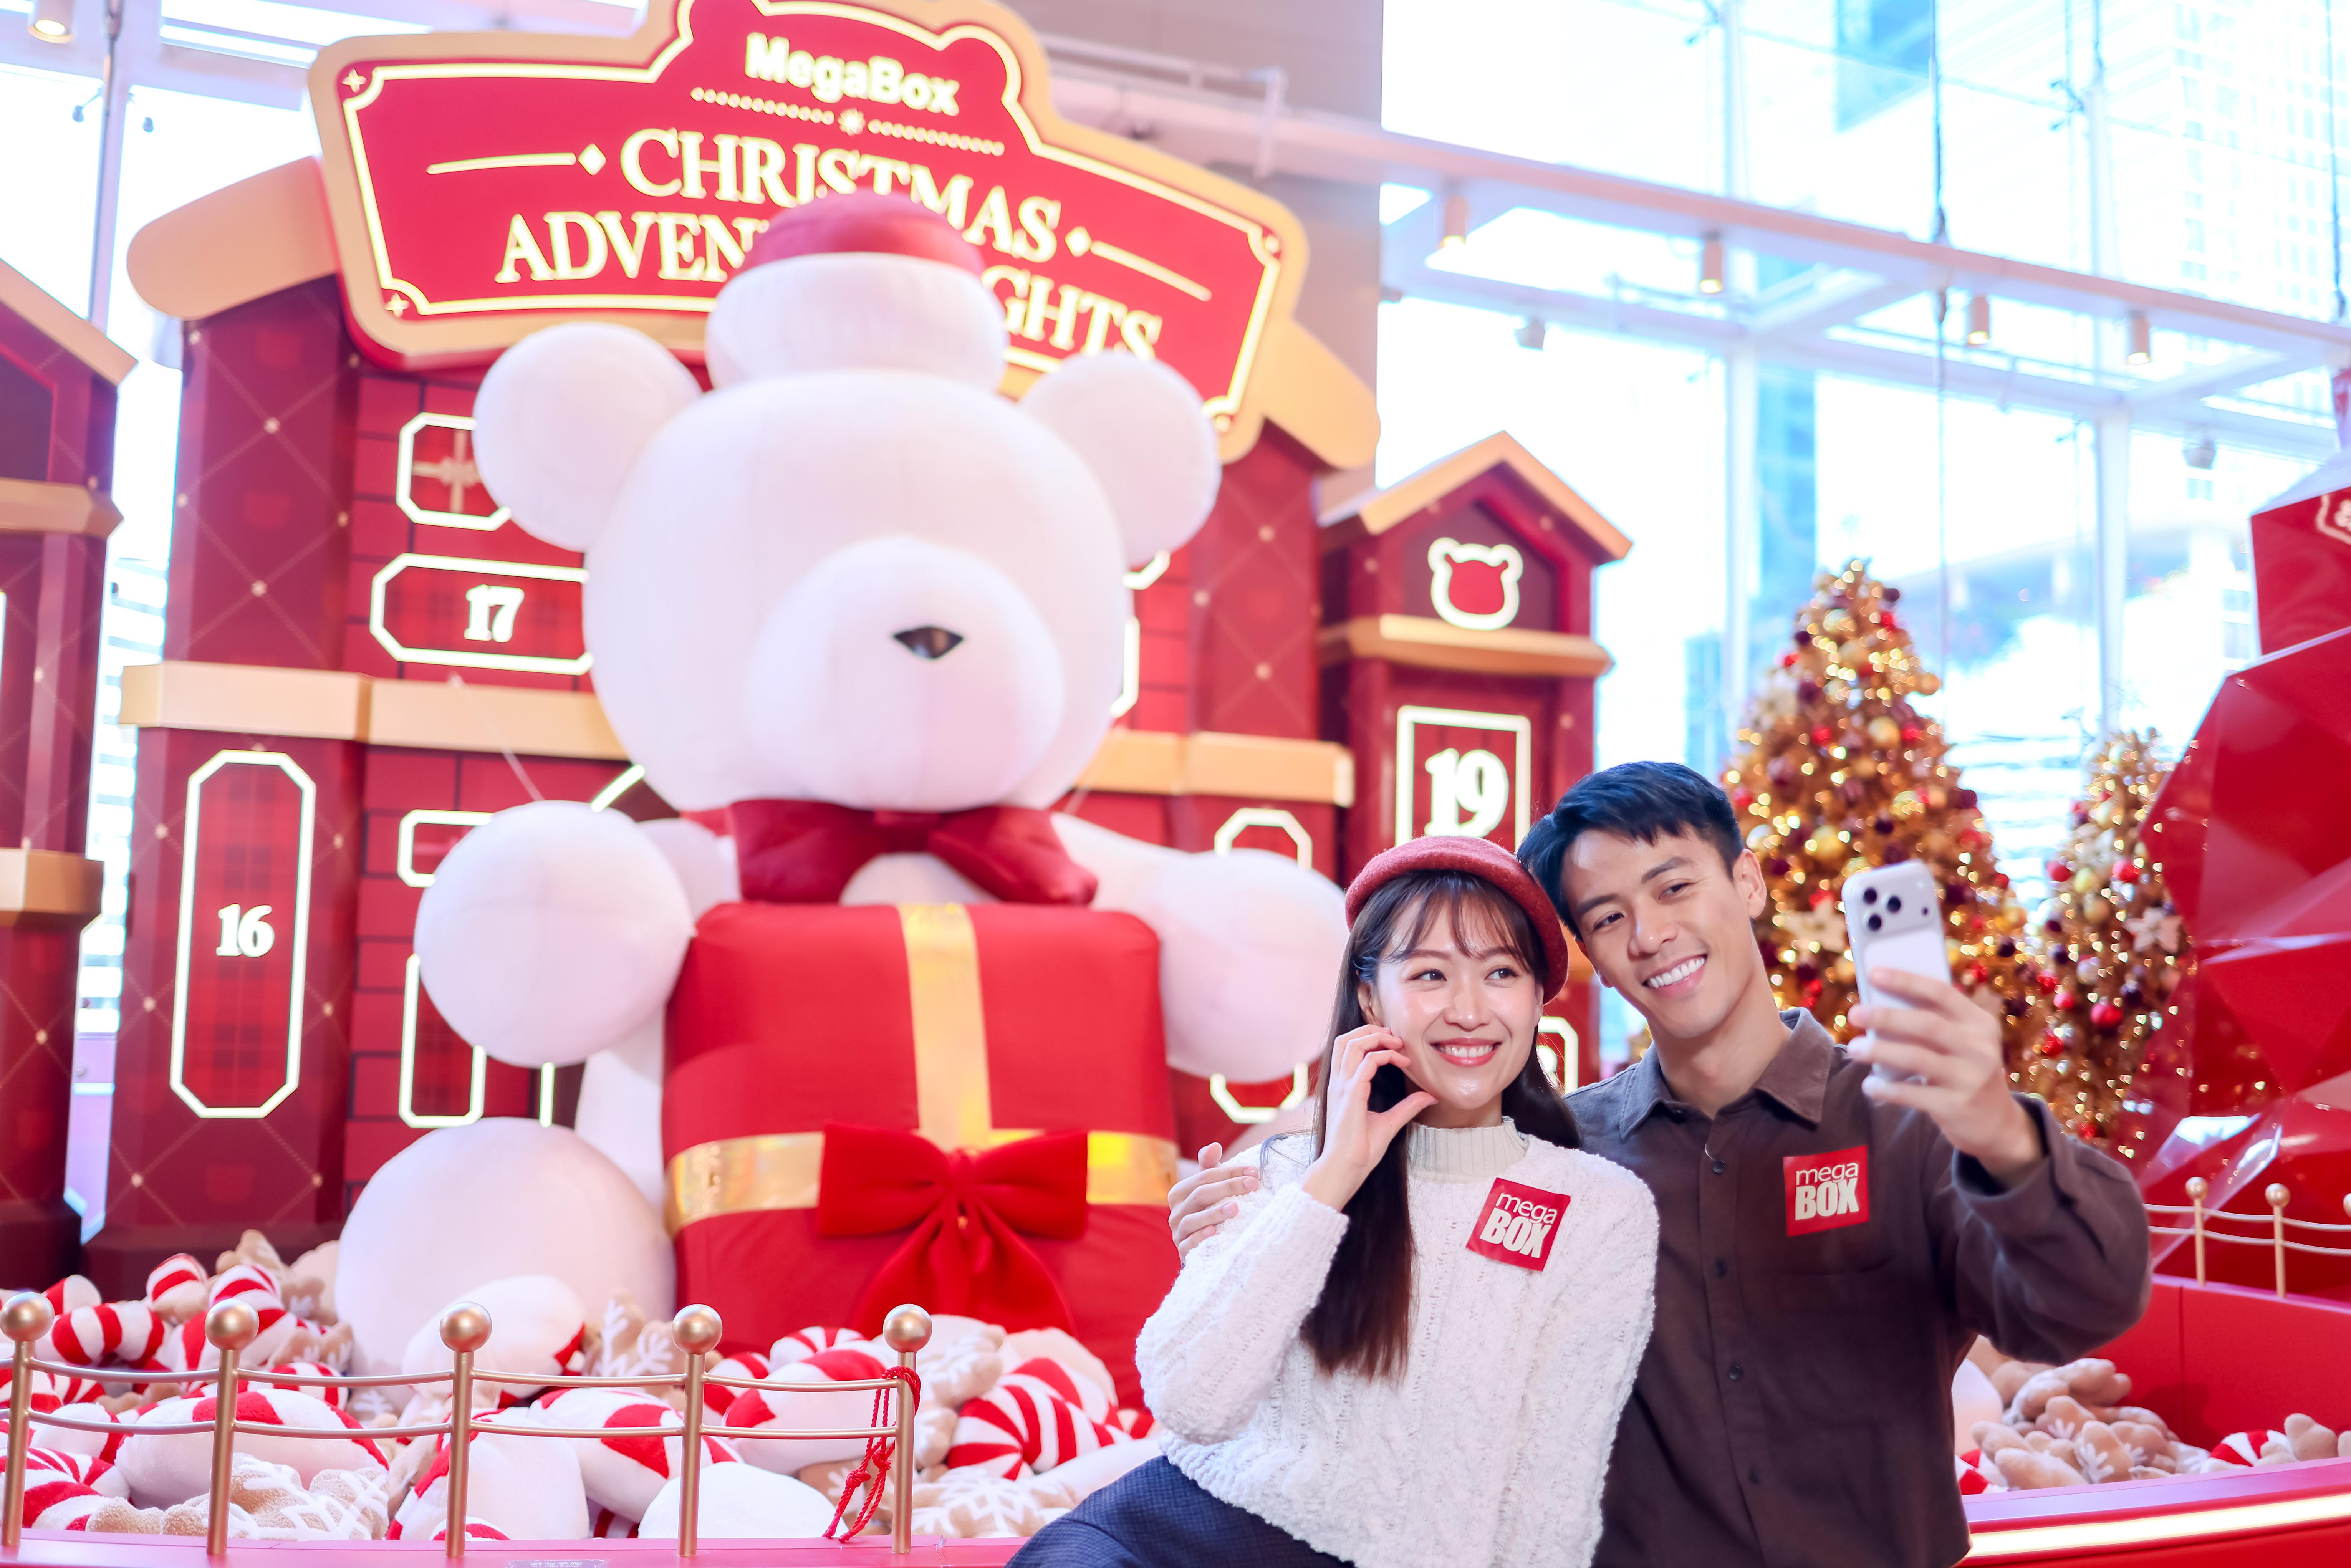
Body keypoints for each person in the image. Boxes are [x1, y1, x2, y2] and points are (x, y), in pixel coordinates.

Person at [1169, 761, 2151, 1568]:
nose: (1649, 935)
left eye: (1674, 886)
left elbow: (2080, 1306)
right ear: (1589, 957)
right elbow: (1413, 1322)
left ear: (1749, 882)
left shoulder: (1908, 1119)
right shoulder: (1566, 1154)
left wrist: (2005, 1137)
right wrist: (1257, 1232)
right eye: (1605, 917)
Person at [1017, 835, 1658, 1568]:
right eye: (1429, 974)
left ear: (1537, 996)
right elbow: (1190, 1404)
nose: (1469, 1010)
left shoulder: (1598, 1211)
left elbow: (1552, 1495)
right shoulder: (1283, 1171)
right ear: (1368, 996)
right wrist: (1330, 1181)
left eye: (1500, 973)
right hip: (1169, 1533)